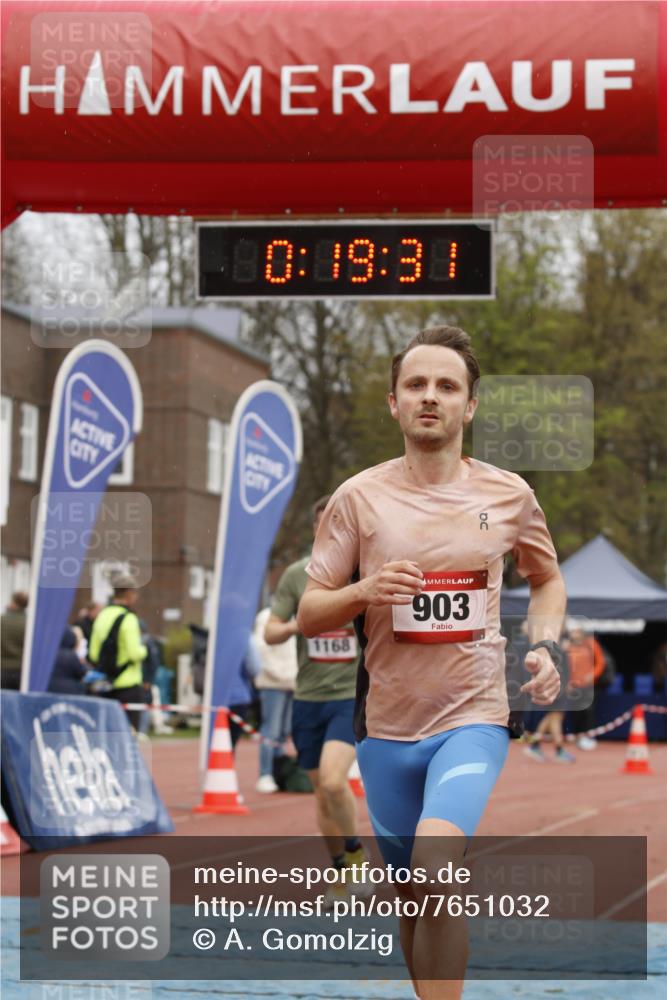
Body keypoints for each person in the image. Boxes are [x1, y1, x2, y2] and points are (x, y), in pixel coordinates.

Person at [297, 326, 566, 1000]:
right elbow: (308, 612)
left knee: (438, 867)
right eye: (416, 385)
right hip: (386, 725)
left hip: (472, 715)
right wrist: (362, 591)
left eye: (446, 386)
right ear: (393, 402)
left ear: (469, 407)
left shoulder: (508, 496)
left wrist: (545, 643)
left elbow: (546, 579)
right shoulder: (357, 499)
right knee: (412, 895)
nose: (430, 397)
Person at [265, 495, 368, 902]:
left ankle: (357, 856)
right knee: (320, 792)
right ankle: (340, 875)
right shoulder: (295, 576)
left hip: (349, 695)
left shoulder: (363, 572)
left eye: (340, 525)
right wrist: (304, 622)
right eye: (326, 525)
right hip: (307, 697)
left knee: (332, 778)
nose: (333, 533)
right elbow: (270, 633)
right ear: (315, 530)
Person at [88, 574, 147, 731]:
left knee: (107, 733)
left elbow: (93, 653)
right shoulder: (129, 618)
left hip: (106, 684)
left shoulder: (102, 615)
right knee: (129, 735)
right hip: (128, 685)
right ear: (129, 593)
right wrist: (144, 650)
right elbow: (135, 653)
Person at [253, 605, 297, 793]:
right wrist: (282, 674)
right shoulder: (266, 616)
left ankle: (278, 774)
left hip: (291, 683)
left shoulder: (296, 615)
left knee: (283, 732)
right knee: (270, 729)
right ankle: (265, 774)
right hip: (273, 683)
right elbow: (261, 650)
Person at [566, 627, 605, 750]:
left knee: (588, 711)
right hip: (574, 685)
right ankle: (578, 737)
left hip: (588, 685)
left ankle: (588, 736)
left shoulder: (591, 644)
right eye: (573, 632)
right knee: (576, 712)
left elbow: (601, 663)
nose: (575, 635)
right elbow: (565, 666)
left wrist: (593, 675)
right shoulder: (568, 646)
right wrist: (568, 682)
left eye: (577, 632)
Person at [1, 591, 28, 690]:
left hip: (2, 669)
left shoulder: (2, 621)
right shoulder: (28, 623)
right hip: (21, 671)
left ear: (14, 603)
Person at [48, 627, 87, 695]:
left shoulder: (50, 653)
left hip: (49, 687)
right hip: (70, 691)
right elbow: (81, 673)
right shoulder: (72, 655)